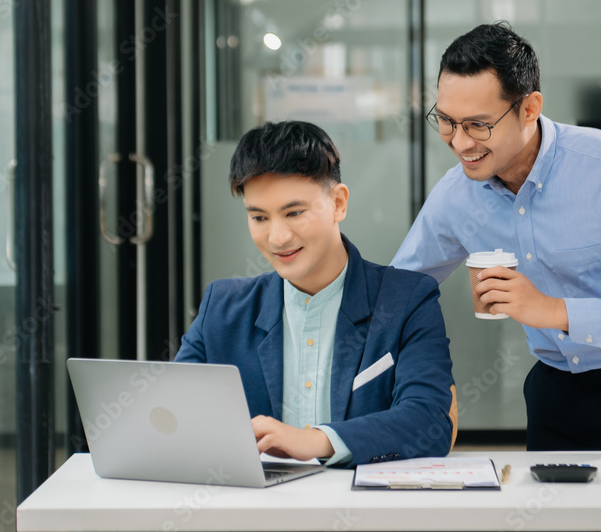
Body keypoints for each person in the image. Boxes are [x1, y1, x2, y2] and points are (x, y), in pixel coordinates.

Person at [392, 22, 601, 451]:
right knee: (552, 520)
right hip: (553, 393)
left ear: (529, 108)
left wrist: (553, 311)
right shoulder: (456, 196)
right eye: (446, 121)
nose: (460, 142)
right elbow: (399, 290)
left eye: (478, 125)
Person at [176, 121, 455, 466]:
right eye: (260, 218)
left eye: (294, 213)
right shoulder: (223, 306)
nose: (278, 237)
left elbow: (428, 421)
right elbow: (177, 414)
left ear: (338, 203)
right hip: (253, 511)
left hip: (362, 512)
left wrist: (316, 440)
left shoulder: (407, 300)